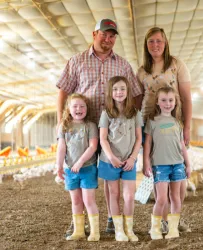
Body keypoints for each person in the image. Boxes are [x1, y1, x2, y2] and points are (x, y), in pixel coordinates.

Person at [56, 18, 143, 236]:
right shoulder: (76, 61)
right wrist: (61, 122)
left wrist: (132, 121)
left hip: (111, 132)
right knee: (81, 176)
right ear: (94, 34)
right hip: (81, 130)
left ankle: (112, 219)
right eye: (104, 34)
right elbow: (64, 92)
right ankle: (79, 223)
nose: (108, 39)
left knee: (108, 176)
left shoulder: (122, 64)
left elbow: (136, 92)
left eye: (112, 35)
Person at [137, 27, 192, 233]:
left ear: (165, 42)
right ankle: (165, 222)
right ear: (146, 45)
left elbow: (186, 98)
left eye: (159, 41)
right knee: (159, 177)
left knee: (180, 182)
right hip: (151, 127)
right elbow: (136, 101)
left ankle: (174, 219)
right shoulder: (142, 70)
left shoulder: (177, 65)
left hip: (175, 126)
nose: (155, 45)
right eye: (151, 41)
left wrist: (187, 126)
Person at [143, 86, 191, 240]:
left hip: (177, 164)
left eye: (171, 100)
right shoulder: (152, 121)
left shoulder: (177, 122)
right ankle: (155, 228)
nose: (168, 103)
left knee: (176, 197)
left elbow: (182, 144)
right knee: (162, 198)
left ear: (175, 102)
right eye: (163, 100)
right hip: (160, 164)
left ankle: (173, 228)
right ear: (157, 102)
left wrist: (188, 164)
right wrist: (146, 162)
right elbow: (148, 144)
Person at [98, 76, 143, 241]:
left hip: (129, 161)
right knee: (114, 194)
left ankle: (129, 229)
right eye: (115, 89)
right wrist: (111, 157)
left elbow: (139, 138)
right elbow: (103, 139)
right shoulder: (106, 114)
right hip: (110, 160)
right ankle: (119, 230)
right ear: (110, 92)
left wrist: (132, 158)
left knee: (129, 196)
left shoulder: (135, 114)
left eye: (122, 88)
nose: (119, 92)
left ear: (128, 91)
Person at [56, 93, 100, 241]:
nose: (79, 109)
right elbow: (61, 147)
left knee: (88, 200)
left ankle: (95, 231)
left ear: (87, 108)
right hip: (70, 170)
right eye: (75, 106)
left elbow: (93, 146)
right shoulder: (64, 126)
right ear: (68, 108)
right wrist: (59, 166)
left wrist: (80, 162)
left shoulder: (90, 126)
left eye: (82, 106)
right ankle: (79, 231)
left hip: (87, 168)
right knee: (76, 201)